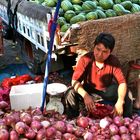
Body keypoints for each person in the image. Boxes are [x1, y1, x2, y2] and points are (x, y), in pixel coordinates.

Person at [64, 32, 133, 119]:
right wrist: (85, 95)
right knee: (70, 92)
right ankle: (72, 119)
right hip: (89, 90)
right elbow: (74, 81)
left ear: (110, 52)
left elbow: (122, 83)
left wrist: (120, 101)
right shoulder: (85, 59)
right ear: (94, 47)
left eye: (105, 52)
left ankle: (127, 122)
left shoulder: (113, 61)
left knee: (127, 94)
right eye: (98, 49)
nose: (100, 54)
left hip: (107, 91)